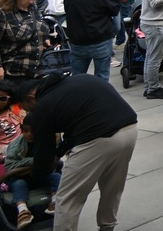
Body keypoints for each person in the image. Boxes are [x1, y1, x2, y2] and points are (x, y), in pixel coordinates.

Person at [22, 73, 138, 231]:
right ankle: (107, 226)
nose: (31, 113)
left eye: (28, 109)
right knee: (112, 187)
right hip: (130, 129)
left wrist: (37, 174)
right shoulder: (77, 80)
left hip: (98, 139)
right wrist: (60, 151)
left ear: (30, 98)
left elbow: (44, 150)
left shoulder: (43, 105)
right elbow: (76, 124)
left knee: (67, 199)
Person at [62, 0, 119, 81]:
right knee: (102, 77)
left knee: (77, 77)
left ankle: (79, 98)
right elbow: (114, 11)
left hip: (78, 39)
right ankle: (99, 98)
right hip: (101, 37)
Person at [4, 116, 61, 228]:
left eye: (33, 131)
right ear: (21, 129)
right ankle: (23, 211)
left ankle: (54, 202)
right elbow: (9, 165)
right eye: (25, 131)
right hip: (21, 178)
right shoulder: (16, 145)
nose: (29, 134)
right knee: (19, 184)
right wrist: (34, 161)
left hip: (40, 176)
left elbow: (53, 161)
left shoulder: (46, 142)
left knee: (56, 176)